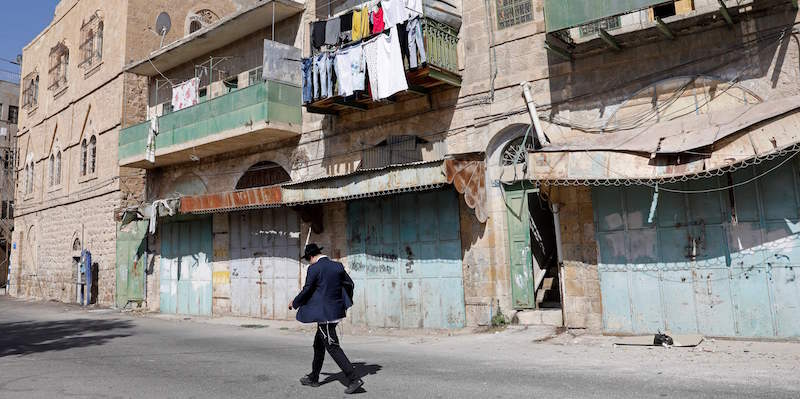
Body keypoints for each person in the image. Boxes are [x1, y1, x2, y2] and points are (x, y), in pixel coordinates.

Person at [290, 243, 364, 394]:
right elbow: (350, 284)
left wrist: (295, 302)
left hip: (325, 315)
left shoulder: (314, 268)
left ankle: (354, 379)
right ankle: (314, 377)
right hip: (335, 312)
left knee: (332, 347)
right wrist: (343, 301)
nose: (308, 262)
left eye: (308, 259)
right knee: (319, 345)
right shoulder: (337, 266)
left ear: (311, 257)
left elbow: (308, 289)